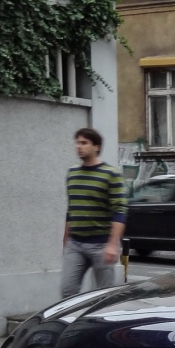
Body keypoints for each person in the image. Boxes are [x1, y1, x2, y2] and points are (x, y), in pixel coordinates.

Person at [61, 127, 127, 298]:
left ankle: (100, 323)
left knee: (103, 296)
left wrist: (113, 244)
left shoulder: (111, 174)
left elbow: (119, 211)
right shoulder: (72, 174)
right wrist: (66, 238)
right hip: (76, 244)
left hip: (102, 244)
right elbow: (72, 208)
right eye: (77, 143)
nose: (79, 147)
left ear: (96, 147)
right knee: (67, 291)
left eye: (84, 143)